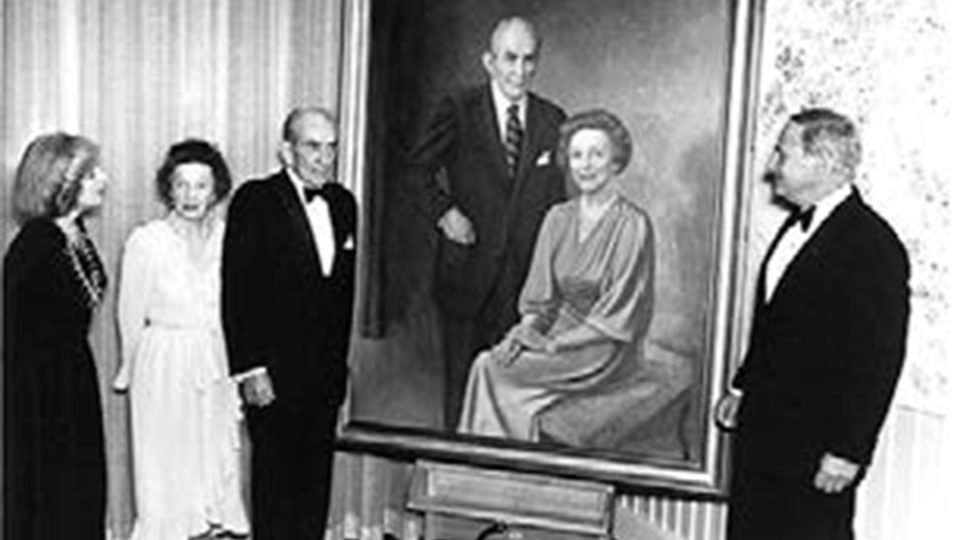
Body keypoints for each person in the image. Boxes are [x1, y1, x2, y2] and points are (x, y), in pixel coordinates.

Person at [715, 108, 910, 540]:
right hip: (765, 436)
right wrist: (743, 388)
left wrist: (847, 451)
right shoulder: (795, 225)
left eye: (782, 154)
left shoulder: (873, 245)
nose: (771, 166)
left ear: (820, 164)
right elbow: (777, 324)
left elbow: (878, 361)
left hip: (816, 448)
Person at [404, 16, 567, 430]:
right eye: (510, 58)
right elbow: (416, 172)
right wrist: (445, 213)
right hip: (467, 275)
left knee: (513, 395)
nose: (520, 70)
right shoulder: (459, 108)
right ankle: (456, 474)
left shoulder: (553, 119)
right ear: (488, 62)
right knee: (462, 393)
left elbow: (558, 206)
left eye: (529, 59)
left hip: (524, 285)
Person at [458, 109, 655, 441]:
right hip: (553, 333)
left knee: (493, 372)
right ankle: (487, 472)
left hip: (603, 348)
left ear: (616, 161)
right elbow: (540, 299)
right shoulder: (557, 218)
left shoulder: (633, 224)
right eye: (577, 155)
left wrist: (550, 345)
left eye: (597, 154)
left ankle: (510, 470)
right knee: (487, 363)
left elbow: (617, 318)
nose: (586, 164)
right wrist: (522, 334)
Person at [222, 107, 357, 540]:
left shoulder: (342, 203)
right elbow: (237, 291)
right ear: (287, 150)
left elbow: (342, 297)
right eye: (312, 146)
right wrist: (251, 368)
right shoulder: (255, 200)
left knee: (314, 490)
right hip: (273, 377)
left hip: (324, 379)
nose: (324, 157)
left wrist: (341, 371)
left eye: (331, 147)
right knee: (276, 492)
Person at [114, 139, 249, 539]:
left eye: (201, 185)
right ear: (168, 189)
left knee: (213, 456)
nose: (191, 196)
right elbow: (129, 313)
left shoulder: (230, 239)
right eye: (182, 185)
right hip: (162, 363)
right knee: (165, 461)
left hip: (214, 360)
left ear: (216, 190)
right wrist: (129, 368)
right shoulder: (147, 241)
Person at [3, 133, 109, 539]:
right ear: (60, 183)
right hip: (39, 393)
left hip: (72, 377)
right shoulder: (35, 246)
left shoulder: (75, 233)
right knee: (50, 489)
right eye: (90, 174)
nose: (103, 179)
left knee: (79, 486)